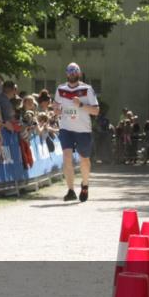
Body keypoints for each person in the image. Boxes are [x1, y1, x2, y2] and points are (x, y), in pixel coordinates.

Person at [53, 62, 99, 202]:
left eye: (75, 71)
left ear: (79, 73)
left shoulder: (87, 89)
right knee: (67, 157)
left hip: (83, 130)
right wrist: (56, 110)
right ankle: (70, 190)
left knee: (84, 159)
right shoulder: (61, 89)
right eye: (70, 71)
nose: (72, 73)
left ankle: (85, 185)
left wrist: (81, 104)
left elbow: (96, 111)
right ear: (66, 73)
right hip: (66, 128)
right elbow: (56, 107)